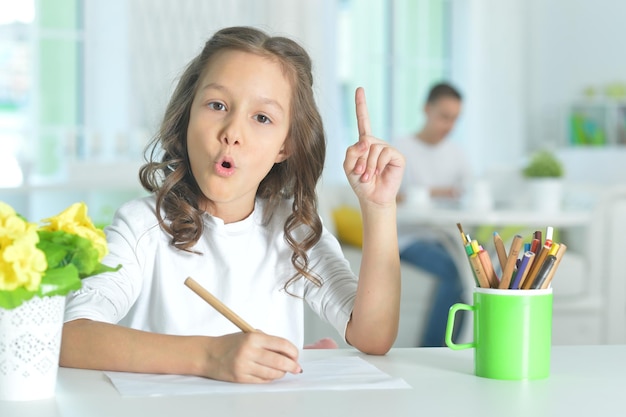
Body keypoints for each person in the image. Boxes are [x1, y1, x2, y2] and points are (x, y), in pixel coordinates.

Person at [59, 26, 405, 384]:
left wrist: (379, 208)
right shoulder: (141, 225)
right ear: (187, 117)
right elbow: (72, 337)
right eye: (217, 105)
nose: (232, 132)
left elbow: (373, 336)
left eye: (262, 117)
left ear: (285, 147)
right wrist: (209, 357)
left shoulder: (294, 231)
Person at [395, 82, 469, 347]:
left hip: (442, 235)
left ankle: (460, 343)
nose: (449, 125)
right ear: (427, 110)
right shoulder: (401, 149)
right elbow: (388, 197)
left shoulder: (456, 154)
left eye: (455, 119)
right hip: (408, 238)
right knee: (454, 271)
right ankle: (434, 346)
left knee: (472, 266)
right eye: (444, 117)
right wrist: (435, 192)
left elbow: (465, 194)